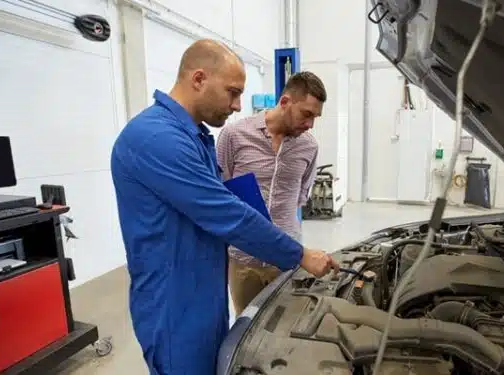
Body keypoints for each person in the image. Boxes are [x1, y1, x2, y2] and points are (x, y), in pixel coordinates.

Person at [109, 39, 339, 375]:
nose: (237, 105)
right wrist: (301, 255)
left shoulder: (194, 136)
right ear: (199, 79)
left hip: (205, 291)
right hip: (175, 304)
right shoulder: (156, 138)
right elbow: (226, 212)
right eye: (232, 92)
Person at [216, 71, 326, 316]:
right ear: (285, 102)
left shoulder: (309, 147)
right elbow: (221, 191)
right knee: (246, 326)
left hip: (287, 257)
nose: (310, 125)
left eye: (315, 117)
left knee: (285, 325)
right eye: (306, 114)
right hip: (243, 257)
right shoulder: (234, 135)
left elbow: (301, 196)